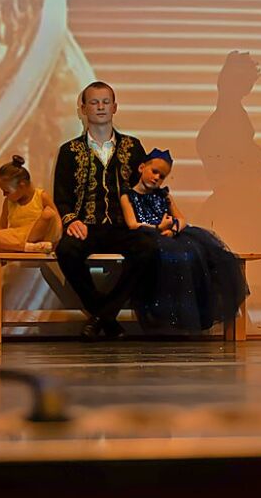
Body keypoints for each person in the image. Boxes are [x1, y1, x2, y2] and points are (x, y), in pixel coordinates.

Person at [53, 81, 157, 341]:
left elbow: (142, 188)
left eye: (105, 102)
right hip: (87, 225)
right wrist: (71, 221)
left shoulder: (133, 147)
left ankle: (102, 315)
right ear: (83, 108)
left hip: (123, 226)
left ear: (115, 107)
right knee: (66, 250)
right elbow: (62, 195)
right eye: (94, 102)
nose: (100, 107)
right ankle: (107, 316)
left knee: (148, 248)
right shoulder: (69, 151)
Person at [120, 149, 247, 332]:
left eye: (162, 176)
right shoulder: (128, 195)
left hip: (169, 235)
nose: (157, 178)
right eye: (154, 171)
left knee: (197, 255)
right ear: (141, 168)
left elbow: (181, 218)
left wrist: (172, 229)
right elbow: (132, 224)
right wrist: (158, 228)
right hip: (147, 236)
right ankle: (164, 315)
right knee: (170, 259)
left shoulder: (163, 195)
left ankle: (192, 311)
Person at [0, 155, 61, 253]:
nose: (4, 195)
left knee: (47, 214)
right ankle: (29, 248)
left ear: (22, 185)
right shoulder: (8, 202)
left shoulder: (41, 196)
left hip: (37, 236)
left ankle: (28, 246)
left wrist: (58, 240)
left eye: (7, 191)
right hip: (18, 239)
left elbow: (57, 223)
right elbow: (1, 227)